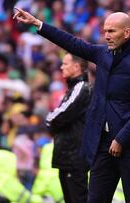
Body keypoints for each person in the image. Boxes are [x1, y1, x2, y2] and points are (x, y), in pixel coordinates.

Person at [14, 8, 130, 203]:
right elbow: (72, 43)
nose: (106, 36)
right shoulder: (103, 54)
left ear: (126, 32)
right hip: (103, 143)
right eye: (105, 31)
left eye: (111, 31)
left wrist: (121, 139)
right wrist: (38, 24)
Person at [45, 53, 91, 203]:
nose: (61, 67)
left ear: (76, 67)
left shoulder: (81, 88)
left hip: (74, 157)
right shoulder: (73, 88)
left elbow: (62, 114)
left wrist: (49, 119)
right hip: (68, 157)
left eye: (65, 64)